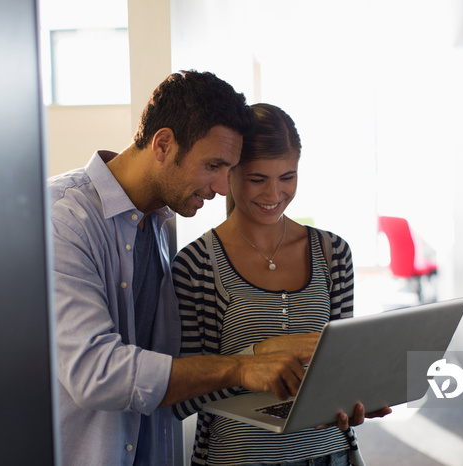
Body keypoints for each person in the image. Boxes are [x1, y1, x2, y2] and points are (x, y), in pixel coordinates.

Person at [48, 72, 314, 466]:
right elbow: (96, 372)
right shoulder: (62, 219)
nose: (223, 187)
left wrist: (264, 352)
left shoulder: (158, 225)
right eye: (213, 165)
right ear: (163, 144)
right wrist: (241, 368)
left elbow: (167, 363)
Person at [172, 103, 391, 466]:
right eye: (258, 179)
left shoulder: (332, 253)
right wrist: (261, 355)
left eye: (287, 177)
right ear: (229, 174)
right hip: (238, 458)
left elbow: (340, 364)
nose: (274, 194)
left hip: (329, 455)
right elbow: (184, 395)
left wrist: (355, 395)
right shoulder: (197, 265)